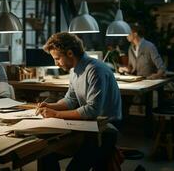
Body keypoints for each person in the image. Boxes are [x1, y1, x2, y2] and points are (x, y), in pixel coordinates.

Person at [36, 32, 122, 171]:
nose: (55, 63)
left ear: (70, 53)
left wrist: (56, 114)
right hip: (88, 127)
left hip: (105, 129)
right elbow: (70, 100)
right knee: (45, 153)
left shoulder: (95, 70)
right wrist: (51, 106)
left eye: (57, 58)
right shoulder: (74, 70)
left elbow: (91, 110)